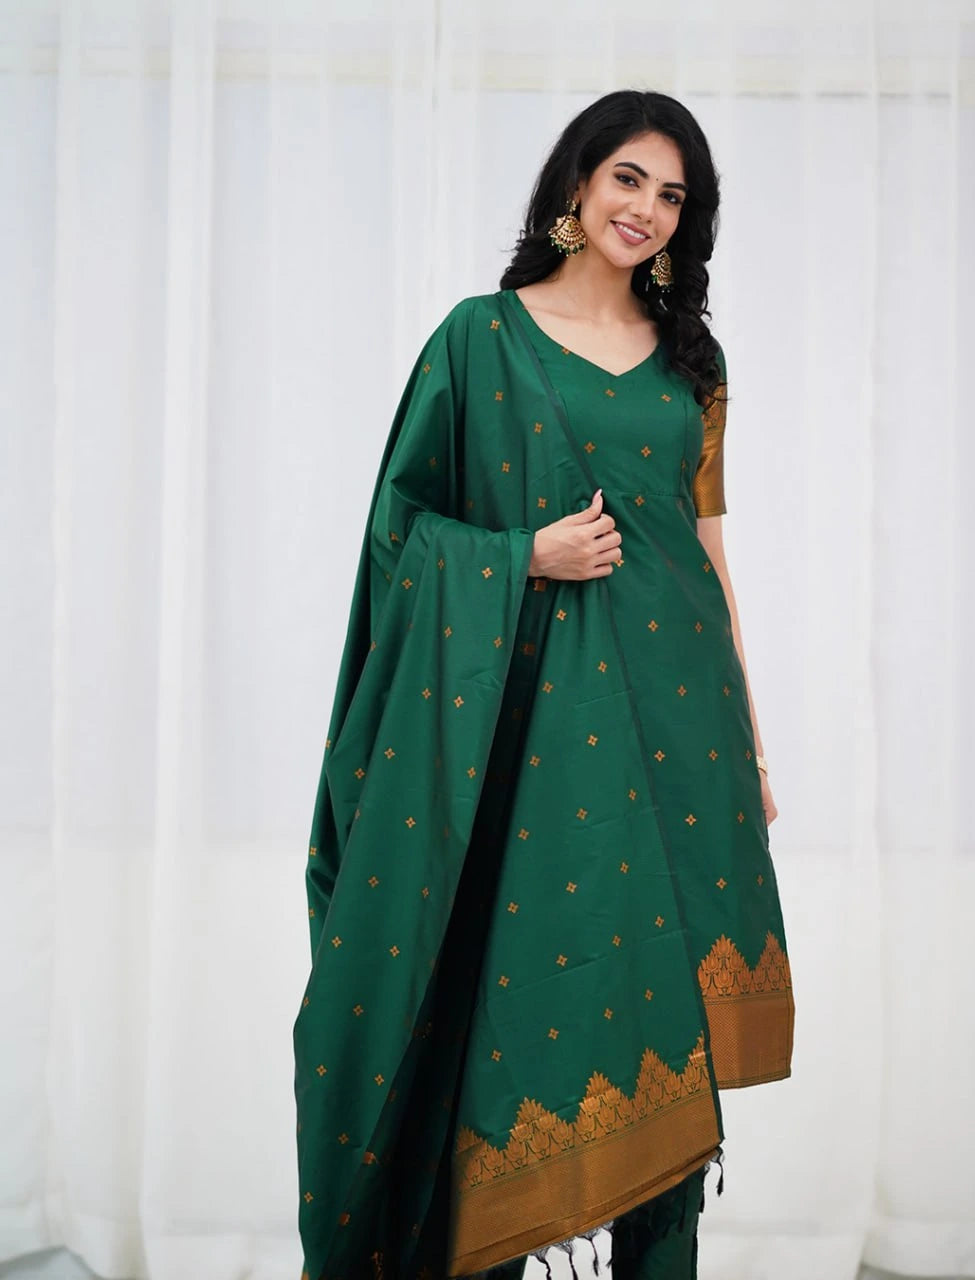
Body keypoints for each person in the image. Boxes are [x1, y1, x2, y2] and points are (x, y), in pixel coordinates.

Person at [293, 89, 794, 1280]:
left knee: (671, 1038)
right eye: (629, 178)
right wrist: (523, 556)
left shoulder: (694, 360)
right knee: (517, 1010)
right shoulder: (478, 339)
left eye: (673, 196)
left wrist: (755, 743)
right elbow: (397, 535)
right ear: (575, 184)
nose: (647, 210)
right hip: (530, 741)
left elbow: (708, 552)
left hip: (686, 731)